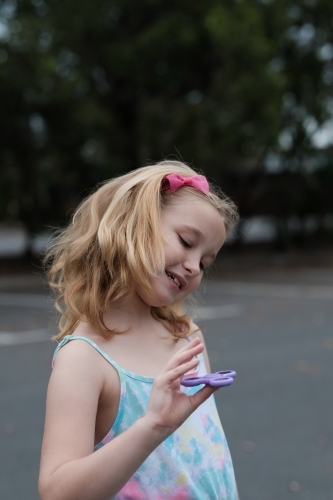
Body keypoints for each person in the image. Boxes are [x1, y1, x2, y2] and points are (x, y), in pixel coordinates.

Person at [39, 160, 240, 500]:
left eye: (206, 262)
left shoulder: (186, 335)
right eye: (187, 241)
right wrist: (152, 427)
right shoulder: (84, 359)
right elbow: (58, 492)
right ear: (131, 224)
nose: (194, 266)